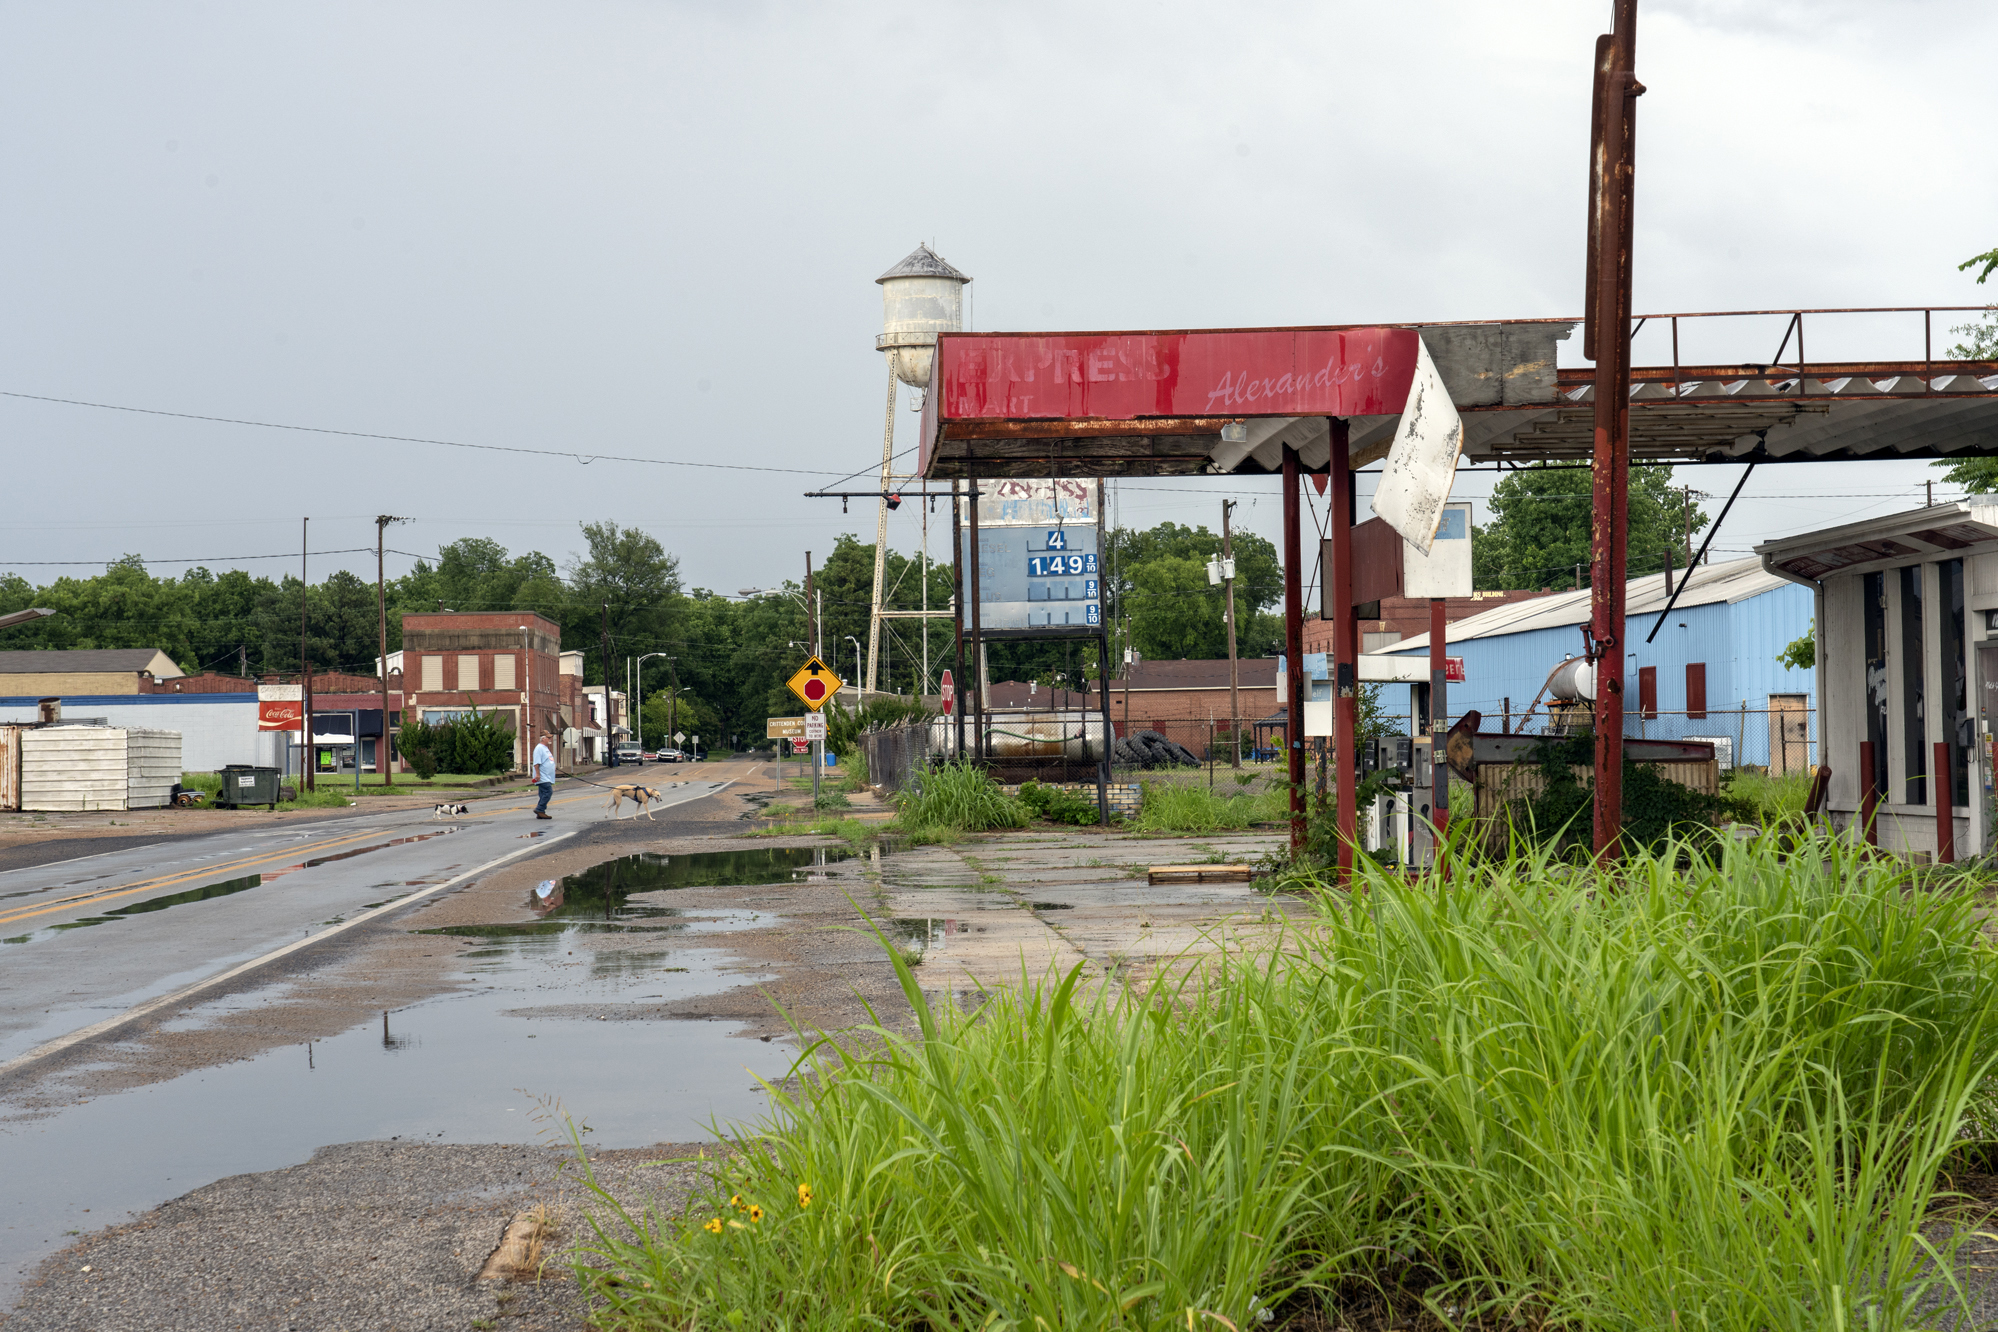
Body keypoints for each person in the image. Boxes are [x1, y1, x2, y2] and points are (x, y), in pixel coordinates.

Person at [532, 733, 556, 819]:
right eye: (548, 738)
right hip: (542, 776)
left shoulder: (545, 748)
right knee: (548, 792)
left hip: (547, 776)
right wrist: (537, 774)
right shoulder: (539, 748)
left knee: (543, 794)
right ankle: (539, 809)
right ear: (543, 738)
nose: (550, 739)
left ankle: (540, 812)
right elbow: (536, 763)